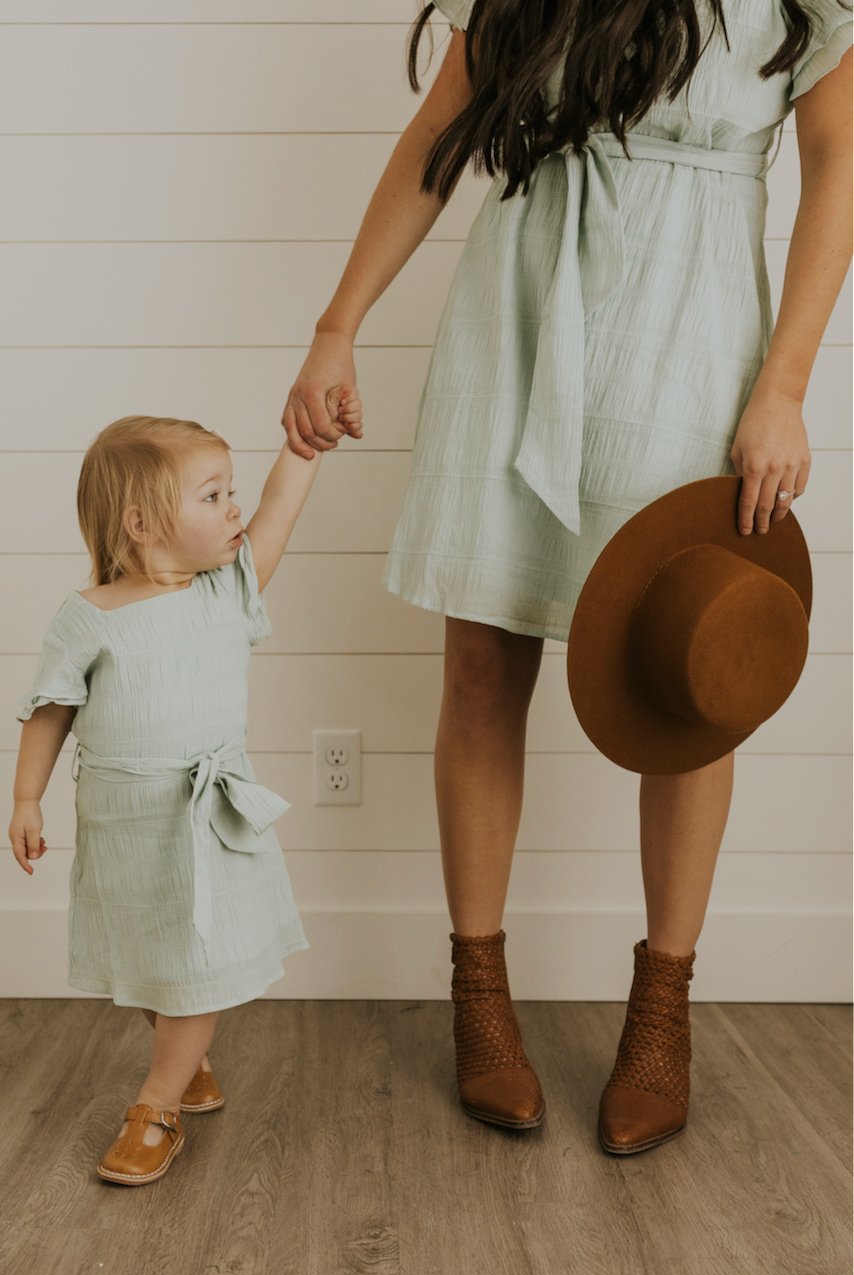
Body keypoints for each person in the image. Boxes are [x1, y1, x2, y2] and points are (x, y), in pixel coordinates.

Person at [281, 0, 852, 1152]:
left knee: (687, 680)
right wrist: (336, 323)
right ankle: (478, 997)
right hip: (519, 315)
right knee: (483, 666)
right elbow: (435, 144)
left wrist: (784, 383)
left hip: (693, 340)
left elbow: (838, 159)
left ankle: (662, 1011)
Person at [8, 398, 362, 1185]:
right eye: (211, 495)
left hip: (205, 819)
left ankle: (158, 1101)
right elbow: (51, 707)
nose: (232, 506)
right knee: (145, 955)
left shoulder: (227, 590)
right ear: (140, 523)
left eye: (228, 490)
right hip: (122, 822)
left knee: (194, 954)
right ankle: (186, 1055)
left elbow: (275, 509)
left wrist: (304, 450)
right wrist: (27, 797)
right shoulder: (89, 618)